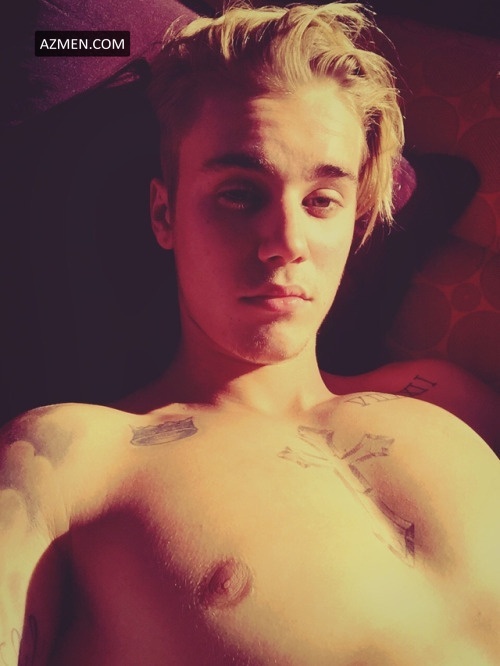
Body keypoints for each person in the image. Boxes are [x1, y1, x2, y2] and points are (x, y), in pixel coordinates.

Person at [1, 3, 499, 664]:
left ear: (355, 224)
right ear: (164, 214)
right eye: (239, 193)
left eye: (321, 201)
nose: (286, 242)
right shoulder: (68, 461)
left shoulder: (446, 401)